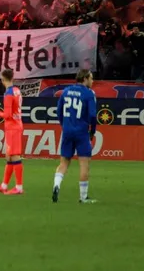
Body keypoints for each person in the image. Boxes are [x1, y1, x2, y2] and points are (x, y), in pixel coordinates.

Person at [53, 69, 98, 204]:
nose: (92, 80)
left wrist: (64, 125)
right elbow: (92, 115)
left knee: (64, 162)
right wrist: (92, 131)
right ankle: (83, 197)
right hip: (81, 132)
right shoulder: (89, 94)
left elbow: (59, 111)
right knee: (84, 164)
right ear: (84, 78)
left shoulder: (66, 91)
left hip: (67, 131)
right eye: (91, 78)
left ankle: (56, 185)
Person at [0, 69, 24, 195]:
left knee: (14, 155)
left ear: (3, 79)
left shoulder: (8, 93)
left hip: (12, 127)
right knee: (9, 156)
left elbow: (8, 114)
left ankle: (19, 187)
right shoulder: (16, 90)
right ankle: (4, 185)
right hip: (16, 125)